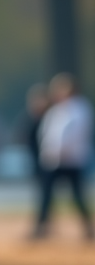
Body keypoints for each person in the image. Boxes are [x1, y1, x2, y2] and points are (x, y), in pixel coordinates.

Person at [32, 72, 94, 240]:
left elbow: (74, 134)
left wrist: (60, 150)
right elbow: (47, 134)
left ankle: (87, 228)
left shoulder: (79, 108)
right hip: (53, 159)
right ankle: (42, 227)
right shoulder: (58, 110)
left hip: (71, 159)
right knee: (46, 195)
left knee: (77, 195)